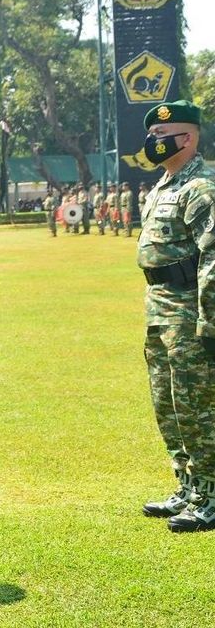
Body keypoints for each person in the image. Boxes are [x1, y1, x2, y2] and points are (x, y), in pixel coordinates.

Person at [135, 100, 215, 532]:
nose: (153, 143)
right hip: (159, 308)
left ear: (187, 138)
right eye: (152, 137)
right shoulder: (164, 185)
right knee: (167, 404)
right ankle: (187, 485)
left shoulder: (202, 187)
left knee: (196, 407)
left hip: (189, 314)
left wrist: (211, 322)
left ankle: (212, 493)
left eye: (162, 138)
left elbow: (213, 259)